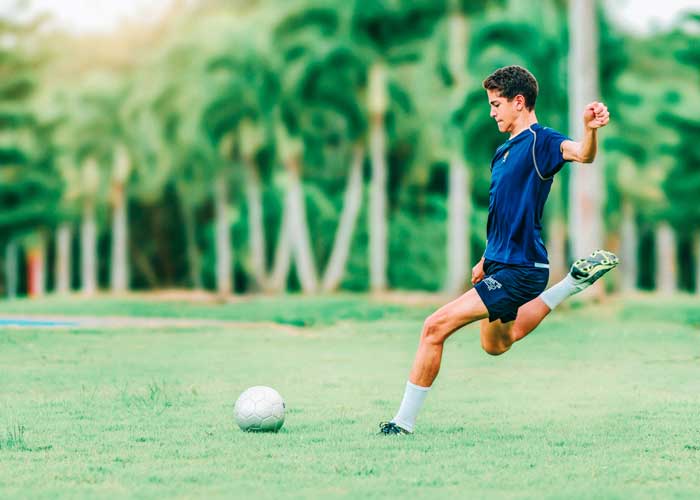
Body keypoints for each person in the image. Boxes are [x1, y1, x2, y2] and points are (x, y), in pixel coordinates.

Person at [379, 65, 618, 435]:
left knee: (434, 327)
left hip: (521, 269)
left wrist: (589, 130)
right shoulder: (503, 151)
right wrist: (484, 259)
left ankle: (401, 424)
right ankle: (570, 283)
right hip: (500, 265)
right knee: (497, 345)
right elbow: (501, 213)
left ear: (518, 102)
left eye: (496, 104)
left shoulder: (543, 142)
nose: (492, 112)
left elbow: (582, 155)